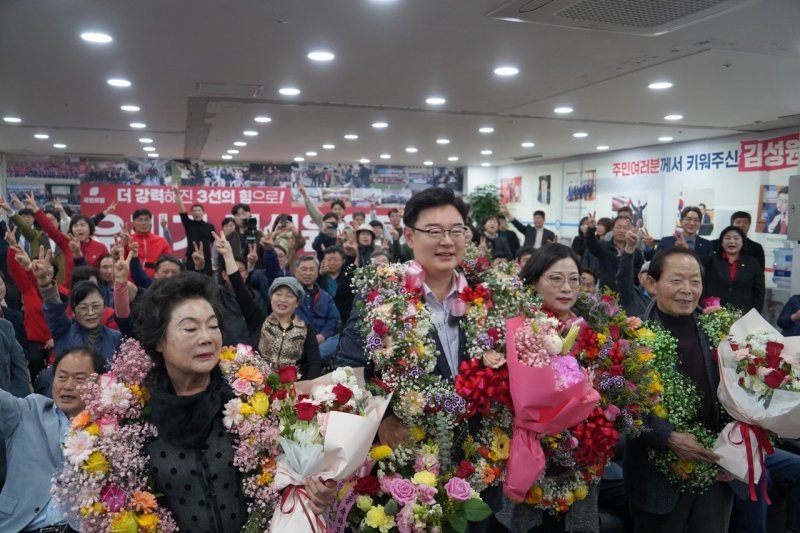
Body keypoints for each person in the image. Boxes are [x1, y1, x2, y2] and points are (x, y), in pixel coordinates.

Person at [336, 187, 504, 533]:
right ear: (409, 236)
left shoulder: (488, 297)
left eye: (456, 230)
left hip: (479, 460)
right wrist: (381, 422)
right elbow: (350, 372)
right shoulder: (379, 297)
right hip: (410, 464)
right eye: (434, 231)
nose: (447, 241)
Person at [134, 272, 336, 531]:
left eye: (213, 325)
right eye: (190, 328)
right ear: (159, 340)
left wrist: (319, 492)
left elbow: (296, 472)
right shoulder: (135, 416)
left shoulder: (251, 397)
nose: (206, 337)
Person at [628, 248, 733, 533]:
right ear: (651, 283)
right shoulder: (632, 338)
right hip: (657, 480)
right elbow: (621, 411)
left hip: (715, 472)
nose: (687, 290)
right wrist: (668, 437)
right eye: (676, 280)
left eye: (695, 281)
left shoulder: (719, 331)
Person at [0, 346, 103, 533]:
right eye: (62, 377)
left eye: (79, 379)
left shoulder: (110, 428)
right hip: (22, 525)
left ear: (98, 383)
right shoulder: (28, 410)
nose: (68, 385)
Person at [258, 277, 322, 378]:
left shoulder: (305, 329)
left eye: (289, 296)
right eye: (278, 294)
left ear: (297, 303)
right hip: (259, 385)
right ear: (271, 298)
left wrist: (306, 387)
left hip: (292, 388)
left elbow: (314, 363)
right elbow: (239, 288)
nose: (283, 299)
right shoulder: (258, 322)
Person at [701, 226, 764, 314]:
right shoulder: (712, 260)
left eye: (736, 238)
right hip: (715, 313)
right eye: (727, 238)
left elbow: (759, 292)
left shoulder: (752, 263)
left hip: (744, 314)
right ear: (722, 242)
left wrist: (756, 314)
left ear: (742, 242)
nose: (732, 241)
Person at [294, 256, 341, 362]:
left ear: (317, 272)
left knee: (343, 337)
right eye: (304, 269)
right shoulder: (290, 294)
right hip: (298, 341)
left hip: (322, 341)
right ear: (296, 271)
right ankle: (312, 357)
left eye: (312, 269)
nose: (308, 273)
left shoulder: (325, 296)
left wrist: (323, 335)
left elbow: (333, 319)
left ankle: (312, 357)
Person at [584, 212, 644, 293]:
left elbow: (639, 275)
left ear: (630, 230)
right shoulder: (603, 246)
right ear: (612, 228)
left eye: (625, 227)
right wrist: (591, 228)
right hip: (606, 294)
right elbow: (590, 243)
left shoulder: (636, 252)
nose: (622, 231)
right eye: (619, 227)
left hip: (628, 295)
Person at [173, 182, 215, 274]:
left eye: (199, 210)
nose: (196, 212)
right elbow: (181, 208)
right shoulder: (188, 224)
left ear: (203, 212)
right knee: (191, 283)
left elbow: (215, 244)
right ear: (191, 213)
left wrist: (216, 262)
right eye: (194, 211)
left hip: (207, 260)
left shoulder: (209, 226)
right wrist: (177, 194)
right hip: (191, 260)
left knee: (207, 284)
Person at [647, 207, 713, 259]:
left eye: (696, 220)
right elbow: (653, 259)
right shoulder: (666, 241)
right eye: (688, 219)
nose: (692, 223)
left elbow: (706, 265)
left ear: (700, 223)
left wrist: (688, 249)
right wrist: (649, 247)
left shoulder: (707, 245)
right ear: (681, 221)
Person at [129, 209, 172, 277]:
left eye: (146, 220)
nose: (144, 223)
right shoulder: (127, 241)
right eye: (140, 220)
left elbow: (168, 262)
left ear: (150, 223)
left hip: (155, 281)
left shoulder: (161, 241)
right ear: (133, 224)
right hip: (131, 282)